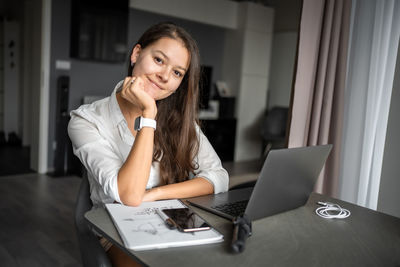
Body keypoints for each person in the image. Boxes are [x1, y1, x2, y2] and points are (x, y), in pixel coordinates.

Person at [68, 22, 229, 266]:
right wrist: (149, 116)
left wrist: (156, 195)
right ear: (136, 54)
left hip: (177, 218)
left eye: (177, 73)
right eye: (159, 60)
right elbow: (130, 195)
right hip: (116, 228)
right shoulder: (86, 120)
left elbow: (219, 177)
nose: (164, 76)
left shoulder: (182, 121)